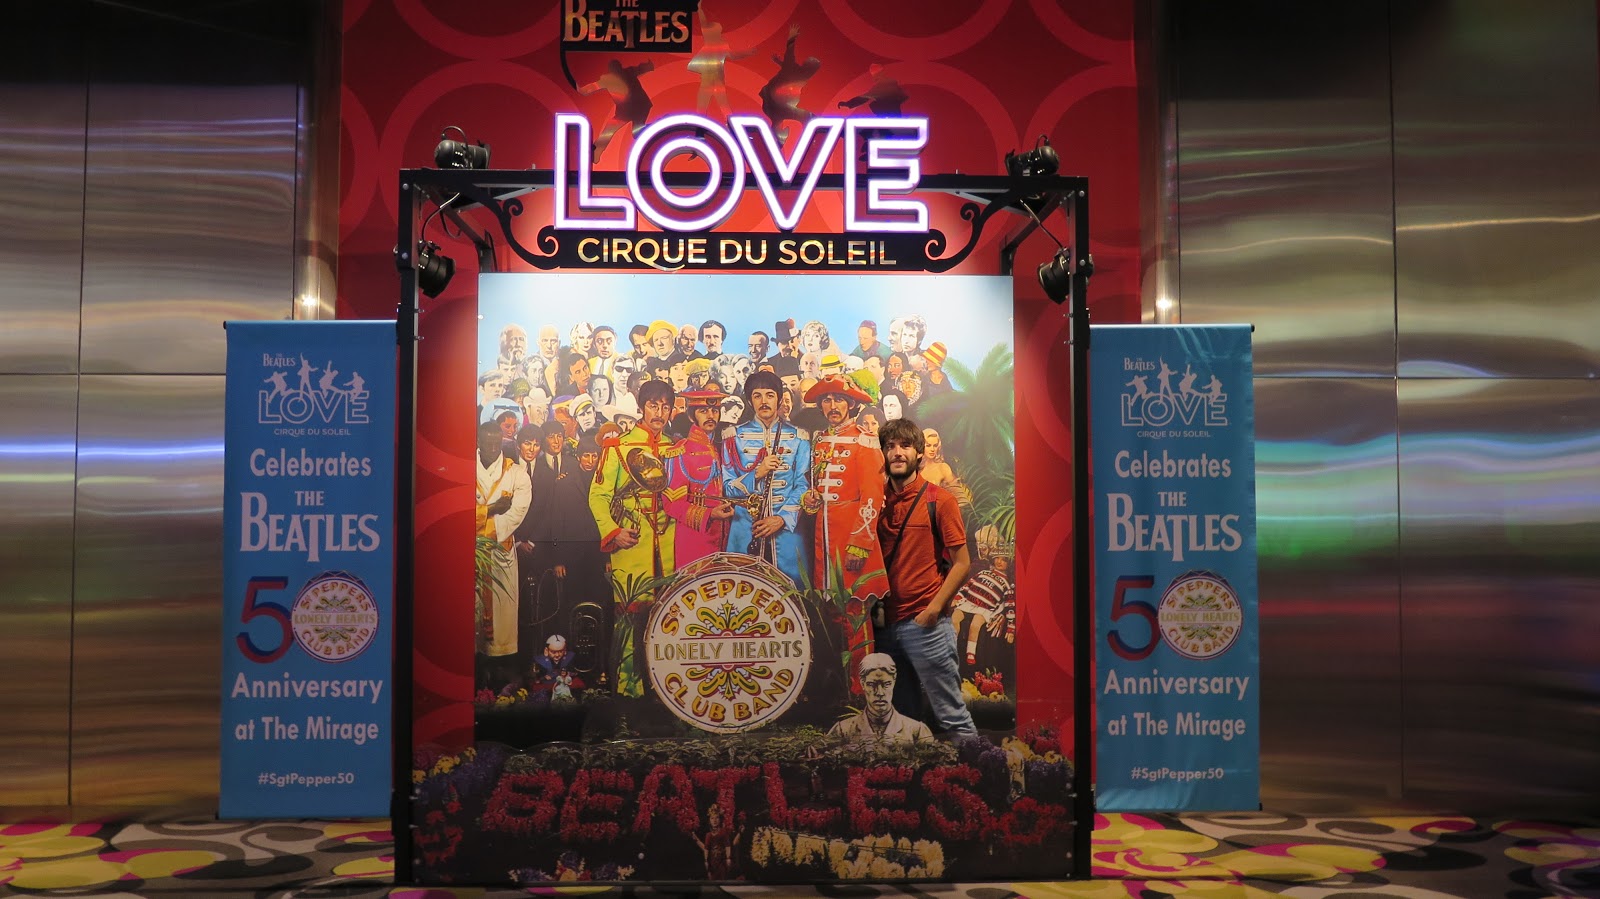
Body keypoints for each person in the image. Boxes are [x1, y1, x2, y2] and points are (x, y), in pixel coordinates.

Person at [874, 418, 975, 735]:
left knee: (952, 717)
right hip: (884, 629)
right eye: (890, 446)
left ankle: (975, 766)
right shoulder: (875, 501)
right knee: (900, 724)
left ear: (919, 453)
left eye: (905, 445)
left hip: (925, 625)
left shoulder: (939, 500)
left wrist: (933, 610)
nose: (897, 452)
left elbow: (962, 563)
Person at [589, 379, 678, 697]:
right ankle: (630, 693)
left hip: (670, 546)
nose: (659, 413)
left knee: (669, 618)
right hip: (631, 544)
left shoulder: (675, 448)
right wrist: (614, 532)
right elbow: (598, 496)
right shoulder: (618, 447)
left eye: (665, 407)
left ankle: (667, 690)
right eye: (653, 405)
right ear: (642, 408)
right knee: (630, 618)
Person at [803, 375, 889, 695]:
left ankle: (861, 688)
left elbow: (873, 498)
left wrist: (860, 544)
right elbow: (816, 489)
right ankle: (840, 689)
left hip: (851, 538)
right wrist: (810, 500)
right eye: (827, 400)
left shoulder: (865, 441)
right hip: (823, 538)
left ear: (851, 404)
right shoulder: (819, 440)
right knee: (833, 612)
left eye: (839, 399)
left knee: (856, 615)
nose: (833, 406)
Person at [723, 370, 810, 586]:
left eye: (770, 395)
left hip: (788, 533)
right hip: (745, 530)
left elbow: (803, 485)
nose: (764, 401)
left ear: (779, 399)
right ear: (750, 401)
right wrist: (757, 474)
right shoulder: (733, 437)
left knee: (792, 593)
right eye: (757, 396)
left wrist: (781, 519)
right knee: (743, 592)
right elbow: (727, 487)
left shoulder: (799, 437)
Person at [475, 421, 531, 689]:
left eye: (496, 442)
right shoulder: (464, 470)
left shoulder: (517, 473)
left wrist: (480, 521)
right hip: (470, 554)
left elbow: (516, 513)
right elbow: (458, 512)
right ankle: (476, 671)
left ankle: (500, 671)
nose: (492, 446)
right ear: (478, 440)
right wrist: (491, 509)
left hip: (500, 551)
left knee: (503, 618)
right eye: (486, 441)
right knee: (472, 614)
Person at [663, 389, 736, 566]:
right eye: (703, 411)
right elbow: (672, 504)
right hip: (694, 539)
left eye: (715, 411)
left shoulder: (722, 447)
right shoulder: (680, 451)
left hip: (724, 539)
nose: (710, 416)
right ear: (691, 416)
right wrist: (709, 514)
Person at [827, 653, 933, 744]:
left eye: (886, 684)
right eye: (871, 684)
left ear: (894, 682)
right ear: (862, 684)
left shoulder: (917, 731)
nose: (880, 693)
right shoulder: (842, 731)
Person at [950, 556, 1015, 667]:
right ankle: (952, 647)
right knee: (954, 619)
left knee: (975, 625)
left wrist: (1011, 628)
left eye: (1004, 560)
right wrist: (958, 597)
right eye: (997, 558)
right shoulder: (983, 573)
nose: (999, 562)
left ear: (1009, 564)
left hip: (984, 609)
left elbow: (1010, 607)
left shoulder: (1007, 585)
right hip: (968, 603)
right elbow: (967, 586)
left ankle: (971, 652)